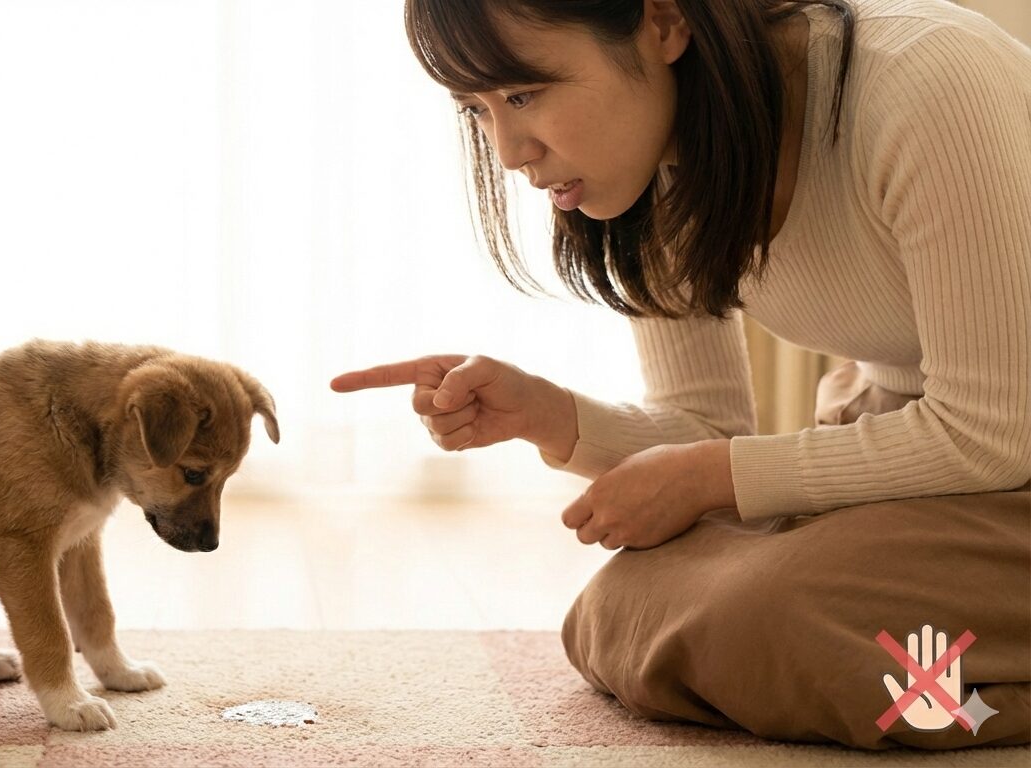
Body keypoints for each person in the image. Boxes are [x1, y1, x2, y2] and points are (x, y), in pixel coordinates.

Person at [331, 0, 1030, 750]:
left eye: (523, 95)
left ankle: (971, 705)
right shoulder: (664, 161)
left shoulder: (925, 80)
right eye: (476, 109)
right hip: (928, 460)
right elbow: (709, 433)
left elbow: (991, 430)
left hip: (1001, 462)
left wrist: (710, 476)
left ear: (662, 22)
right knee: (623, 609)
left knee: (769, 612)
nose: (507, 152)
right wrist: (546, 415)